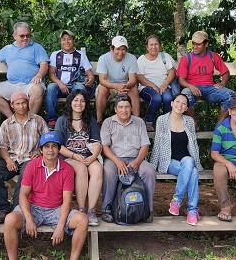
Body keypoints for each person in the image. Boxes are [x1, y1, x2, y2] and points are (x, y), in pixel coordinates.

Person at [3, 132, 89, 260]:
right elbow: (23, 195)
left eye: (54, 146)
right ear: (41, 150)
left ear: (59, 149)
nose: (50, 150)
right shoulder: (32, 166)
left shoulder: (67, 169)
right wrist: (29, 218)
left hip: (56, 210)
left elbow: (67, 201)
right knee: (10, 220)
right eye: (46, 146)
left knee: (83, 220)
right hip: (33, 207)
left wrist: (60, 226)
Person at [0, 91, 49, 224]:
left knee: (27, 171)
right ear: (12, 105)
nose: (21, 106)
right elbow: (2, 147)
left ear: (28, 103)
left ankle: (17, 210)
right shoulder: (7, 124)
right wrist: (8, 160)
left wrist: (41, 153)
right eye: (17, 104)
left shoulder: (38, 120)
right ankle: (3, 209)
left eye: (24, 103)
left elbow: (47, 141)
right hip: (12, 158)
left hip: (30, 159)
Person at [100, 94, 155, 223]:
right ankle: (106, 210)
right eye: (121, 107)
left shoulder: (139, 122)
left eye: (127, 107)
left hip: (136, 158)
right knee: (108, 171)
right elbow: (105, 146)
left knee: (149, 171)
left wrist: (137, 161)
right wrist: (117, 161)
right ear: (115, 109)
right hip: (114, 159)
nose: (124, 110)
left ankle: (148, 210)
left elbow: (145, 144)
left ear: (131, 108)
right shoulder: (108, 122)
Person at [150, 93, 203, 226]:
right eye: (177, 102)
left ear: (186, 108)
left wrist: (197, 164)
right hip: (169, 161)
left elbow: (194, 144)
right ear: (172, 103)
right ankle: (189, 207)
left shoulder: (189, 121)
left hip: (187, 161)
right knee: (190, 165)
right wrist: (152, 165)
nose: (180, 105)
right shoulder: (162, 120)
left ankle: (184, 205)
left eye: (184, 103)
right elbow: (157, 144)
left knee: (192, 169)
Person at [54, 89, 103, 226]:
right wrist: (75, 156)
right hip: (69, 157)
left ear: (86, 103)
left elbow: (97, 142)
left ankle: (91, 210)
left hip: (88, 155)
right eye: (76, 100)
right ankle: (82, 209)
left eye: (82, 100)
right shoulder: (62, 120)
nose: (79, 103)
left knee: (98, 170)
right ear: (70, 102)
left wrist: (93, 157)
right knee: (81, 169)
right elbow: (58, 145)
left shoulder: (90, 120)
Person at [176, 30, 236, 127]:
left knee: (231, 95)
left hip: (210, 89)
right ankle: (194, 122)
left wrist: (222, 83)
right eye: (193, 44)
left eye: (198, 44)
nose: (195, 47)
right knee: (185, 95)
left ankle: (220, 124)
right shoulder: (187, 58)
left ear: (206, 44)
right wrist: (191, 86)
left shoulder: (213, 56)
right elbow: (181, 79)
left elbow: (225, 72)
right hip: (193, 89)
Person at [0, 22, 49, 118]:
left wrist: (39, 75)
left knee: (38, 90)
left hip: (31, 84)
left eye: (28, 35)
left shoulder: (36, 47)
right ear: (14, 36)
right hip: (12, 84)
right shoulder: (8, 49)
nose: (25, 38)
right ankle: (13, 121)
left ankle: (30, 120)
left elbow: (44, 64)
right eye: (22, 36)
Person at [46, 30, 95, 130]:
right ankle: (52, 120)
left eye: (69, 39)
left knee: (80, 88)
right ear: (60, 41)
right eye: (64, 39)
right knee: (50, 87)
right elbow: (51, 74)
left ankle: (80, 119)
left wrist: (90, 79)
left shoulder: (80, 55)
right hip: (59, 86)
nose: (66, 41)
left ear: (73, 41)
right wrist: (60, 84)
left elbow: (89, 73)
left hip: (75, 85)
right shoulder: (55, 54)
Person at [95, 36, 140, 125]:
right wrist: (116, 87)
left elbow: (133, 80)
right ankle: (99, 121)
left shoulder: (131, 58)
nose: (120, 52)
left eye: (123, 49)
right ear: (112, 49)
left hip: (125, 86)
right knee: (101, 90)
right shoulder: (104, 58)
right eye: (118, 49)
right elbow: (102, 80)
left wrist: (124, 86)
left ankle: (137, 122)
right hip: (109, 85)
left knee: (134, 90)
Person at [137, 35, 177, 132]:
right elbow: (139, 76)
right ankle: (149, 122)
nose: (153, 47)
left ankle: (165, 124)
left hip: (164, 85)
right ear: (147, 47)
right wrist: (153, 85)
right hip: (146, 87)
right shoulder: (142, 59)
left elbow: (172, 71)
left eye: (156, 44)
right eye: (151, 45)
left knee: (168, 98)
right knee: (156, 98)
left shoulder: (165, 56)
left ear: (160, 46)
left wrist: (165, 84)